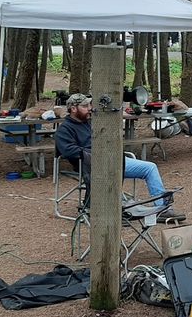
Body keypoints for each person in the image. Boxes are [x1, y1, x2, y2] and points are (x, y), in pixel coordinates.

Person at [55, 93, 184, 221]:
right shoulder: (65, 129)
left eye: (89, 105)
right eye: (85, 106)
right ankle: (108, 207)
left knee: (150, 167)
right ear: (73, 109)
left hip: (114, 159)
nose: (89, 108)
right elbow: (68, 151)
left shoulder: (91, 122)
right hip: (90, 165)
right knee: (114, 167)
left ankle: (161, 209)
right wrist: (95, 154)